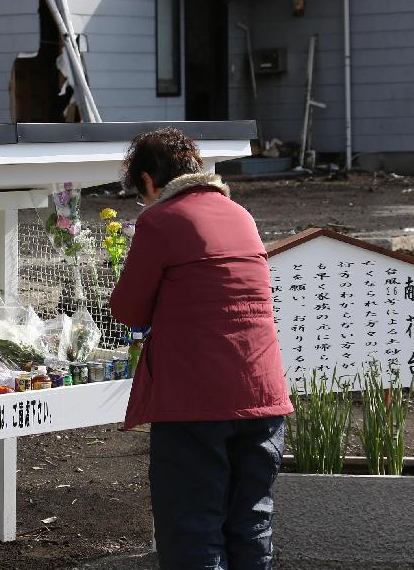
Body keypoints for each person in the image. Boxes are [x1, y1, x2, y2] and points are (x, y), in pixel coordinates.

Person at [110, 128, 292, 570]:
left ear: (148, 179)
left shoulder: (161, 220)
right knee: (251, 525)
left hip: (196, 401)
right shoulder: (241, 215)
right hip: (263, 394)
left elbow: (129, 310)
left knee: (193, 529)